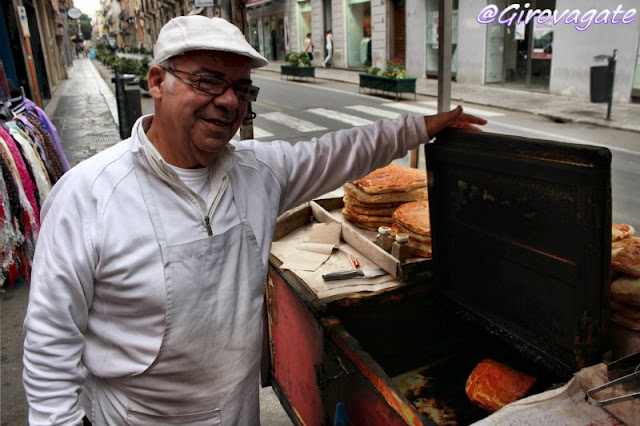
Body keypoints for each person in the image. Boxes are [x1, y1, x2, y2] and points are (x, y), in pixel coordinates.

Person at [22, 15, 486, 426]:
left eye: (241, 88)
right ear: (157, 81)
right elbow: (50, 338)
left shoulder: (258, 172)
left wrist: (423, 127)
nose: (228, 101)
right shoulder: (88, 196)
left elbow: (340, 151)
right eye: (207, 81)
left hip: (237, 409)